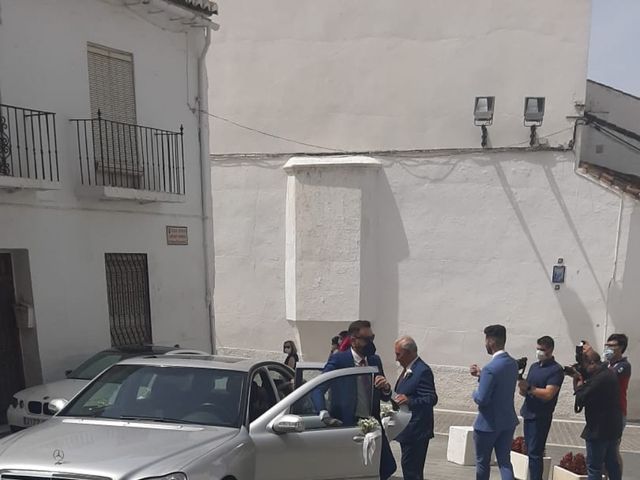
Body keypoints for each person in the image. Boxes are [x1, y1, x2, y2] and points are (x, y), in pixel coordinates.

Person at [314, 320, 397, 480]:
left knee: (386, 467)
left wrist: (386, 388)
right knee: (348, 470)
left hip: (372, 423)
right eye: (367, 339)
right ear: (353, 340)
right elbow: (318, 387)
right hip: (347, 424)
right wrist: (323, 413)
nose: (371, 343)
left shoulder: (374, 360)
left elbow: (385, 395)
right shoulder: (340, 360)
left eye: (373, 338)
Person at [470, 324, 519, 480]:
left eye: (485, 340)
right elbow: (500, 386)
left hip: (487, 424)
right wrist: (481, 375)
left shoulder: (490, 368)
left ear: (490, 341)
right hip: (507, 421)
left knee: (482, 463)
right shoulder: (513, 363)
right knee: (505, 463)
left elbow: (482, 399)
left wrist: (474, 392)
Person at [517, 336, 564, 480]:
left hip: (541, 416)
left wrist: (530, 388)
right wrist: (522, 386)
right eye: (538, 349)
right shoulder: (534, 367)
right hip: (529, 413)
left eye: (542, 349)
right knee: (530, 451)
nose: (539, 352)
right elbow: (525, 391)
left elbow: (549, 394)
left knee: (536, 453)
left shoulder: (555, 370)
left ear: (550, 350)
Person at [393, 336, 438, 480]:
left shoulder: (422, 370)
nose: (396, 358)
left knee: (413, 471)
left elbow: (431, 398)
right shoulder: (408, 369)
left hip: (417, 430)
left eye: (398, 354)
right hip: (407, 429)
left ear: (409, 353)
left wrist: (409, 400)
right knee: (408, 467)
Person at [573, 349, 623, 480]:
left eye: (585, 366)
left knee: (594, 467)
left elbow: (581, 398)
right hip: (612, 428)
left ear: (591, 363)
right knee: (612, 464)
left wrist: (578, 384)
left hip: (599, 429)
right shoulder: (608, 373)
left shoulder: (599, 379)